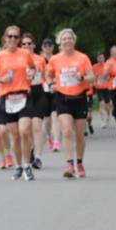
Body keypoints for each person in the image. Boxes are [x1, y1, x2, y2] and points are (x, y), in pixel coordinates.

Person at [46, 28, 96, 178]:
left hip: (80, 98)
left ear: (74, 41)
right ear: (60, 42)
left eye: (69, 38)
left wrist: (81, 77)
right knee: (66, 131)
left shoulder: (82, 58)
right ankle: (69, 164)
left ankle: (79, 163)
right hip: (62, 98)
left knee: (79, 135)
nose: (67, 41)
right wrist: (50, 85)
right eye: (64, 39)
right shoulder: (55, 59)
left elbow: (92, 77)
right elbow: (47, 75)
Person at [0, 25, 37, 181]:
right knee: (14, 136)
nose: (13, 39)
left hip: (23, 95)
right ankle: (18, 166)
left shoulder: (25, 54)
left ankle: (28, 165)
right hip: (7, 98)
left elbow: (32, 68)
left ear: (19, 39)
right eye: (10, 36)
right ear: (5, 38)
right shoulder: (0, 56)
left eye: (16, 37)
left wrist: (31, 74)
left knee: (24, 131)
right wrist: (2, 79)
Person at [20, 33, 47, 169]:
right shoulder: (18, 59)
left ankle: (38, 157)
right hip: (24, 94)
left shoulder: (40, 59)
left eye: (29, 43)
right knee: (26, 128)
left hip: (38, 92)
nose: (26, 46)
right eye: (24, 44)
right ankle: (29, 149)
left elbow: (46, 76)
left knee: (37, 125)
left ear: (34, 45)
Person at [41, 37, 61, 152]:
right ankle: (49, 136)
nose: (47, 48)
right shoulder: (39, 60)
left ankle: (57, 141)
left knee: (56, 116)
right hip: (44, 91)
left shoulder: (57, 59)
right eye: (45, 45)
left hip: (55, 89)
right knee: (47, 119)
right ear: (42, 47)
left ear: (53, 47)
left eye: (49, 45)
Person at [92, 53, 112, 129]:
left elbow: (111, 75)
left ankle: (108, 115)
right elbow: (92, 77)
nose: (100, 59)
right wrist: (94, 82)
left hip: (107, 88)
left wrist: (108, 78)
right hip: (99, 88)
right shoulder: (94, 67)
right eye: (99, 58)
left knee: (107, 105)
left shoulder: (107, 66)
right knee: (102, 104)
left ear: (104, 58)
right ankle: (102, 120)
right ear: (97, 59)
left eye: (102, 58)